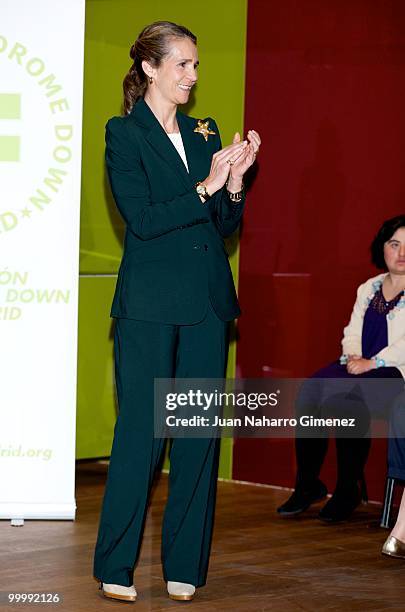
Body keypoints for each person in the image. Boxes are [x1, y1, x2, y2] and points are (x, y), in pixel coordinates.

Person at [92, 21, 261, 603]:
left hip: (207, 305)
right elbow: (143, 220)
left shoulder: (202, 132)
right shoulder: (124, 133)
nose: (193, 75)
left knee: (196, 439)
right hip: (148, 307)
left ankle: (184, 565)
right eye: (183, 64)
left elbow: (219, 229)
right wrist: (205, 186)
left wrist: (233, 185)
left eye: (195, 64)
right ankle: (116, 566)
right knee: (141, 435)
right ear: (151, 69)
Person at [278, 215, 405, 523]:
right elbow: (351, 331)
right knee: (311, 389)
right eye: (395, 244)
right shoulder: (369, 287)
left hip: (395, 374)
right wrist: (352, 358)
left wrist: (372, 363)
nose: (401, 254)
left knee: (346, 401)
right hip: (359, 367)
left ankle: (347, 489)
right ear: (383, 248)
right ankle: (308, 485)